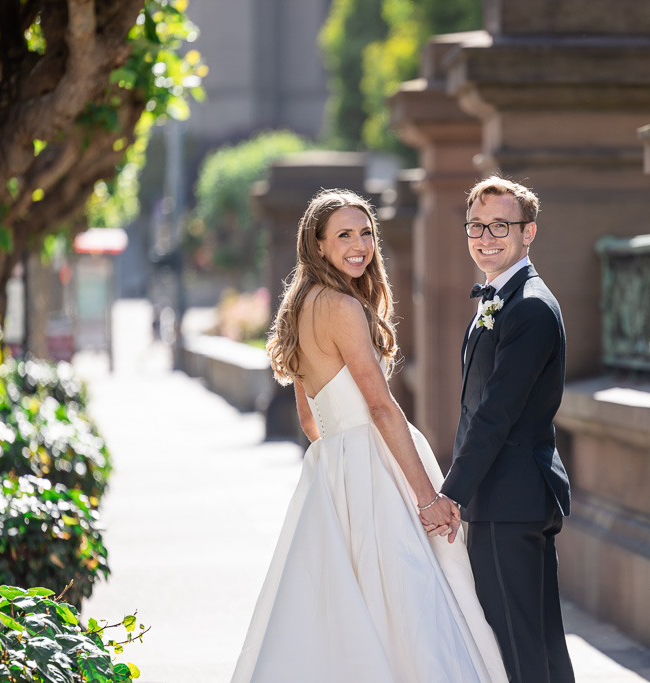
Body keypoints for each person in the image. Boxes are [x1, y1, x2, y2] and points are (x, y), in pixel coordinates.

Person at [231, 189, 507, 683]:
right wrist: (426, 498)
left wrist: (338, 467)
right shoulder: (341, 306)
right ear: (317, 245)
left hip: (334, 468)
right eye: (344, 235)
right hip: (376, 469)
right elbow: (380, 405)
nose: (359, 245)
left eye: (365, 233)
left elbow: (310, 419)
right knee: (408, 602)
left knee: (348, 609)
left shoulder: (300, 307)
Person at [440, 176, 576, 683]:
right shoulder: (502, 297)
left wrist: (451, 494)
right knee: (537, 646)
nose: (486, 236)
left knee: (516, 652)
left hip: (508, 498)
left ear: (529, 232)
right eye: (476, 225)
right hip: (510, 497)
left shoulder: (530, 306)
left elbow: (495, 413)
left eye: (501, 225)